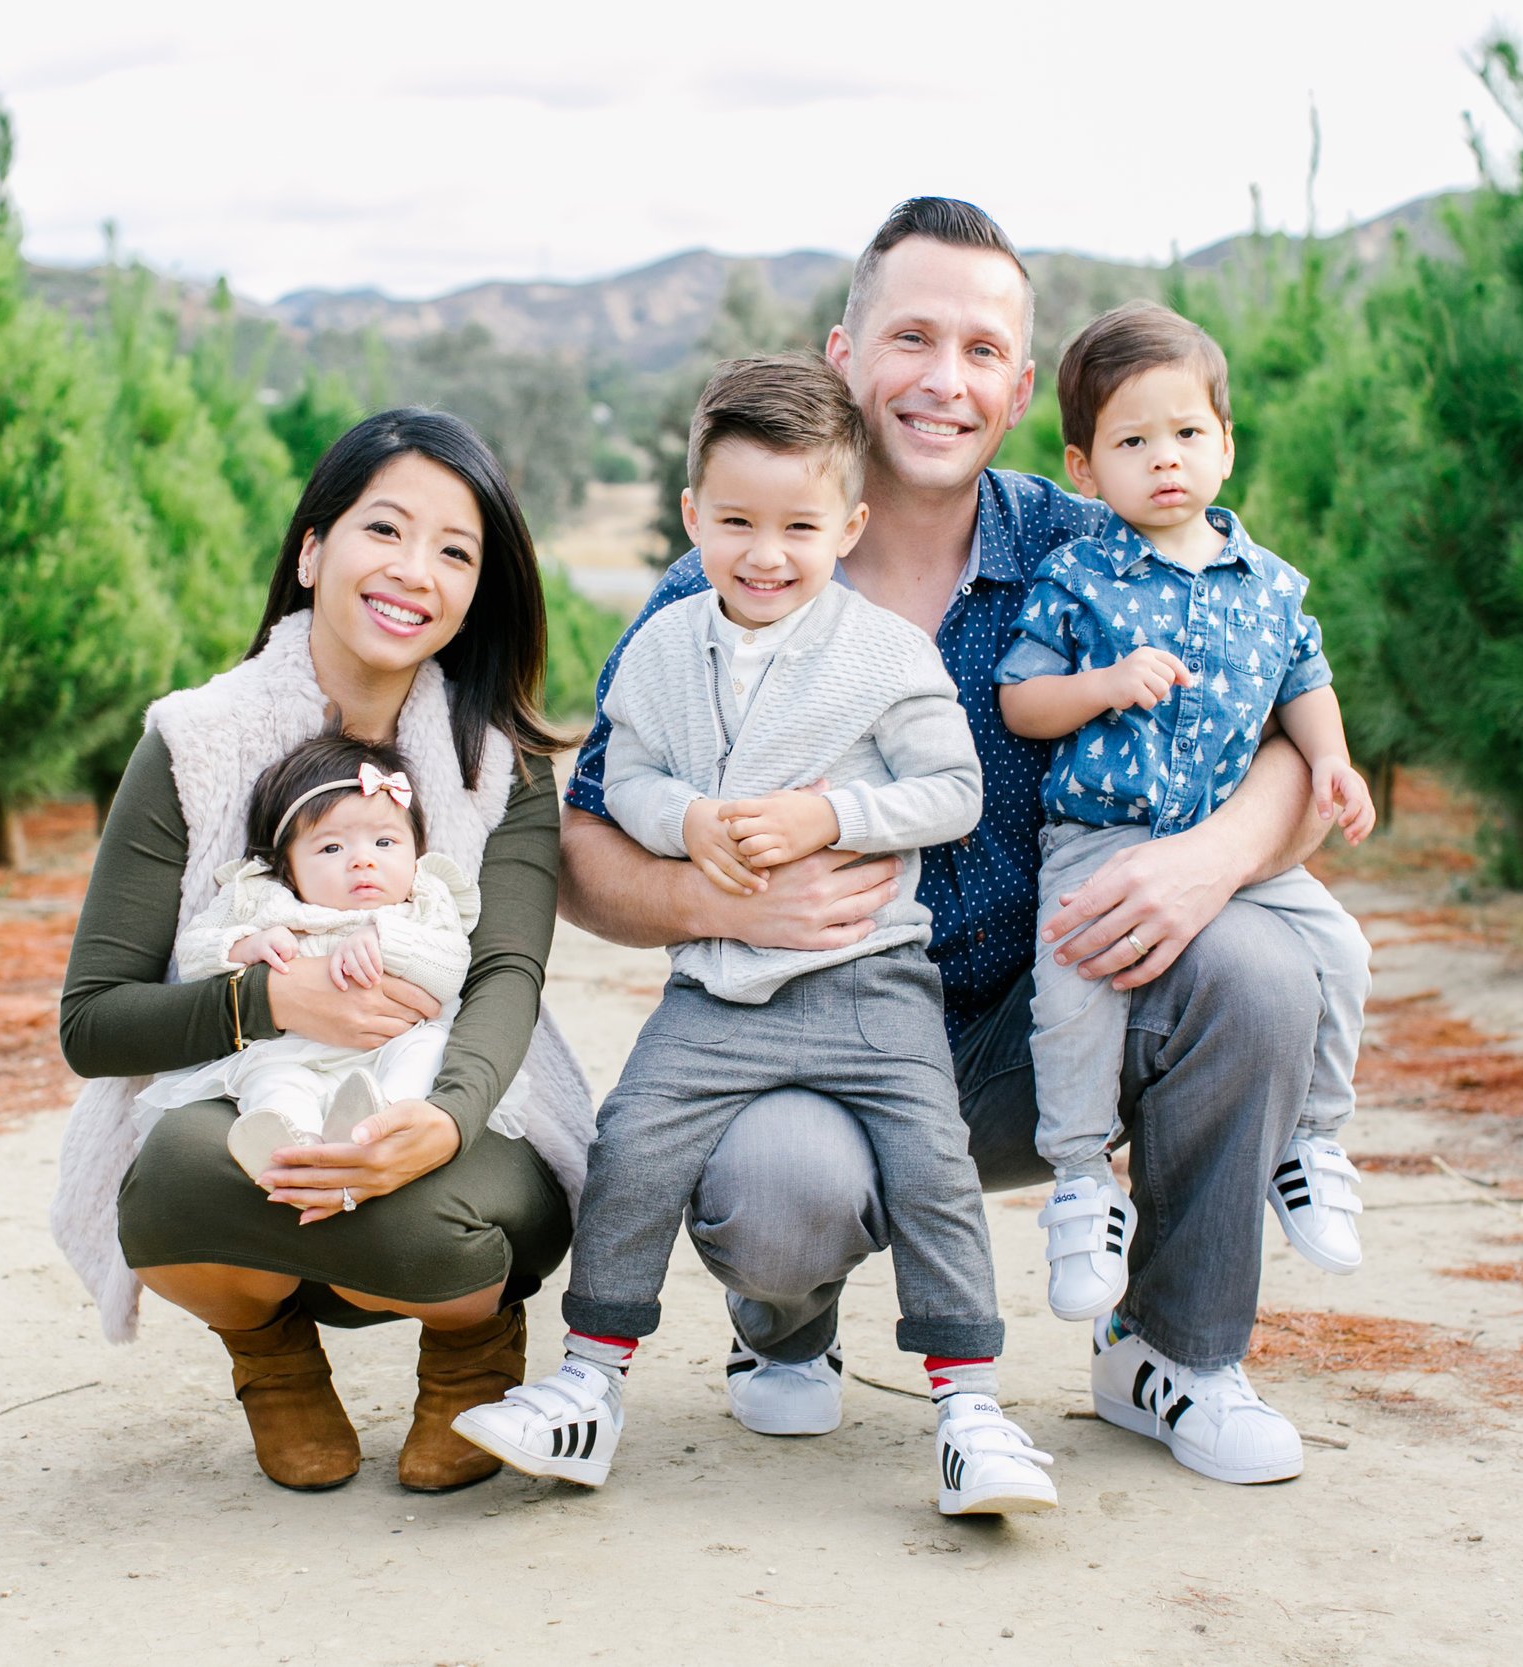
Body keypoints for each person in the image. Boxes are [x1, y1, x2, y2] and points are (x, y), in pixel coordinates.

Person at [560, 198, 1338, 1488]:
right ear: (842, 356)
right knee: (777, 1190)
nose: (943, 378)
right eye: (910, 336)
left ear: (1023, 387)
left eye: (982, 350)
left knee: (1255, 967)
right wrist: (726, 903)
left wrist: (1214, 856)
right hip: (820, 1030)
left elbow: (1296, 746)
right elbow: (587, 833)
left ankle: (1170, 1354)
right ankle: (784, 1328)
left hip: (1049, 1027)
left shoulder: (1098, 550)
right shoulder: (730, 576)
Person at [452, 354, 1056, 1516]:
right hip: (720, 987)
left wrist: (831, 812)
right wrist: (681, 820)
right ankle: (590, 1381)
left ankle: (969, 1408)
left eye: (797, 525)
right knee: (632, 1141)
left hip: (871, 978)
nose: (764, 553)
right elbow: (619, 772)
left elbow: (954, 792)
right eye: (734, 521)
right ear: (691, 517)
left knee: (932, 1165)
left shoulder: (886, 652)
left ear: (849, 525)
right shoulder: (671, 644)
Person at [52, 410, 596, 1497]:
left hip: (447, 1086)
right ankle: (269, 1356)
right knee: (173, 1180)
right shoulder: (195, 742)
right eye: (383, 529)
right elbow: (94, 1021)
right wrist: (272, 1000)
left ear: (479, 589)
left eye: (455, 550)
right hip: (256, 1089)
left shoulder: (501, 764)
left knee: (438, 1215)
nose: (413, 571)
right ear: (312, 550)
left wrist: (441, 1116)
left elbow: (505, 977)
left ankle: (469, 1351)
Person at [1000, 300, 1377, 1331]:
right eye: (1131, 441)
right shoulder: (1076, 577)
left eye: (1185, 434)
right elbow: (1020, 700)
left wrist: (1333, 763)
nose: (1162, 460)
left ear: (1224, 444)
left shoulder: (1267, 583)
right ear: (1084, 468)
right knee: (1075, 983)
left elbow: (1306, 681)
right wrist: (1105, 683)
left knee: (1339, 954)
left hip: (1230, 846)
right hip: (1103, 831)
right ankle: (1082, 1180)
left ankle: (1309, 1138)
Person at [136, 733, 490, 1181]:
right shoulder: (262, 900)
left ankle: (382, 1119)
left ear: (416, 851)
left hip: (390, 1050)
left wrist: (386, 939)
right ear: (286, 867)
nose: (363, 861)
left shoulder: (423, 901)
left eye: (385, 843)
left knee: (431, 1046)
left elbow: (451, 967)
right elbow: (192, 956)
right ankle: (289, 1142)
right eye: (331, 848)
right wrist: (245, 947)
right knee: (272, 1078)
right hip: (293, 1052)